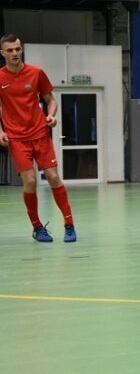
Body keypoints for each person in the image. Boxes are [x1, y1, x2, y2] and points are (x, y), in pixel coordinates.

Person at [0, 33, 77, 243]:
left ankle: (69, 225)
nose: (15, 53)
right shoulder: (0, 78)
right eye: (10, 50)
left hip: (40, 133)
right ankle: (37, 227)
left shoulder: (36, 73)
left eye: (17, 49)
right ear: (2, 53)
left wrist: (51, 115)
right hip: (16, 137)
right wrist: (1, 131)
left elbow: (51, 100)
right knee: (31, 181)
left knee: (53, 177)